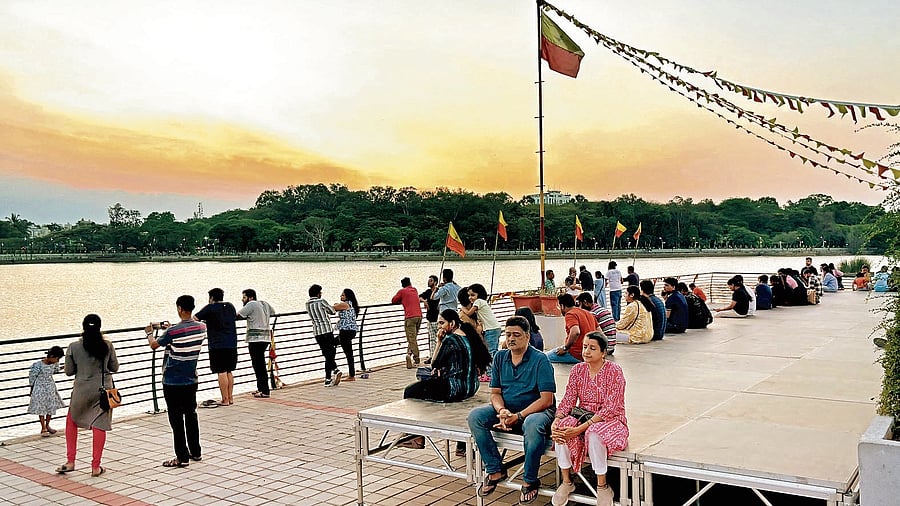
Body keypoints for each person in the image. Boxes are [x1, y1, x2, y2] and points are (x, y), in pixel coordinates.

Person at [468, 316, 556, 504]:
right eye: (508, 335)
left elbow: (546, 399)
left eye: (516, 334)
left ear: (527, 336)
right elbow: (495, 393)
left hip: (536, 411)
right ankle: (495, 468)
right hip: (508, 409)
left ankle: (530, 480)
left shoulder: (540, 360)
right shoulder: (500, 357)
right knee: (475, 416)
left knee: (532, 425)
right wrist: (501, 411)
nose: (511, 339)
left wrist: (519, 416)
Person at [550, 332, 628, 506]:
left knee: (594, 434)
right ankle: (566, 482)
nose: (586, 351)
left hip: (610, 419)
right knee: (562, 428)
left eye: (592, 348)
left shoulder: (614, 371)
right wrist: (557, 420)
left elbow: (611, 407)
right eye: (585, 347)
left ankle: (602, 486)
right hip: (583, 415)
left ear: (603, 352)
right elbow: (569, 398)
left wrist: (579, 429)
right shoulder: (578, 370)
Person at [146, 296, 207, 468]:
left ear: (179, 308)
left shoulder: (172, 332)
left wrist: (150, 332)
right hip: (191, 379)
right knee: (191, 414)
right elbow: (186, 330)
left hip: (172, 381)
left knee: (176, 418)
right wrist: (171, 327)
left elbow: (154, 345)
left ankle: (181, 457)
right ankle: (195, 451)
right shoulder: (202, 327)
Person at [57, 314, 119, 477]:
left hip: (81, 391)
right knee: (100, 426)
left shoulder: (73, 347)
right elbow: (115, 367)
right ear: (99, 327)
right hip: (102, 392)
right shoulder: (107, 345)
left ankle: (70, 462)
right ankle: (95, 467)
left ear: (83, 327)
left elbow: (69, 372)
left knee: (72, 420)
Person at [403, 310, 491, 403]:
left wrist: (439, 341)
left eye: (442, 323)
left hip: (454, 389)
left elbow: (434, 364)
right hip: (472, 388)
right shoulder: (469, 336)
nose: (439, 327)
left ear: (452, 323)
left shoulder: (450, 339)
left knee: (410, 391)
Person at [195, 288, 238, 407]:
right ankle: (230, 397)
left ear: (211, 298)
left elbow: (194, 318)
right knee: (229, 370)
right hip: (232, 342)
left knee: (221, 371)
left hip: (217, 344)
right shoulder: (230, 306)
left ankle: (224, 399)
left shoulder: (210, 308)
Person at [237, 289, 276, 397]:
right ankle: (261, 388)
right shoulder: (264, 303)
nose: (242, 299)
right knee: (260, 364)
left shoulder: (251, 304)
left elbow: (239, 315)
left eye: (244, 297)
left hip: (255, 339)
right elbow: (273, 312)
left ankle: (264, 391)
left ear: (250, 298)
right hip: (266, 337)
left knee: (258, 365)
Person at [307, 284, 341, 387]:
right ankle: (334, 370)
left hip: (317, 332)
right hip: (327, 330)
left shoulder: (307, 304)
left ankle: (328, 379)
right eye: (320, 292)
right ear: (318, 293)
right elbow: (332, 311)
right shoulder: (321, 301)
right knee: (330, 353)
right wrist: (335, 306)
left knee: (327, 353)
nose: (321, 294)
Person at [462, 284, 502, 373]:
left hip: (490, 329)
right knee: (494, 351)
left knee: (490, 351)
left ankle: (490, 373)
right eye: (469, 295)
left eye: (472, 295)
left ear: (479, 295)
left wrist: (462, 309)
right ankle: (497, 370)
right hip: (495, 328)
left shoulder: (478, 301)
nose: (470, 298)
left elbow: (469, 313)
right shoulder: (482, 302)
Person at [548, 294, 597, 364]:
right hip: (589, 353)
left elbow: (575, 332)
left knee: (543, 358)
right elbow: (600, 332)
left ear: (562, 306)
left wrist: (565, 348)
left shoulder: (570, 314)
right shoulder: (588, 313)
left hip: (575, 354)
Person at [28, 345, 65, 437]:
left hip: (50, 387)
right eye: (57, 358)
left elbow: (55, 371)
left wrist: (63, 367)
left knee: (50, 405)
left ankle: (47, 425)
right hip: (40, 387)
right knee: (41, 406)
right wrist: (31, 388)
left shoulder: (54, 364)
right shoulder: (38, 365)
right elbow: (32, 377)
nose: (58, 361)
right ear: (52, 357)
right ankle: (43, 426)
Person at [392, 277, 423, 368]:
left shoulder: (402, 291)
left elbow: (393, 300)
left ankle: (416, 359)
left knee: (411, 338)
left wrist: (401, 299)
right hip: (419, 316)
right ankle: (409, 355)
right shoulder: (415, 290)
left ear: (402, 284)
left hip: (410, 317)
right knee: (413, 338)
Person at [334, 288, 360, 381]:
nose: (341, 296)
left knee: (348, 353)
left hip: (346, 331)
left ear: (347, 296)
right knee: (333, 343)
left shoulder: (345, 304)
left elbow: (334, 308)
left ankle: (351, 375)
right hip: (351, 331)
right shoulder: (352, 304)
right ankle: (335, 369)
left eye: (343, 295)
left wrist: (336, 305)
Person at [419, 275, 441, 363]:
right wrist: (424, 301)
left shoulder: (439, 292)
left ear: (435, 282)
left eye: (431, 281)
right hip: (430, 318)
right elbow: (418, 297)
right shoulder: (428, 292)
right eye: (429, 280)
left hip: (439, 319)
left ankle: (439, 355)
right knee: (432, 339)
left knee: (440, 338)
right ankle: (432, 356)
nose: (429, 282)